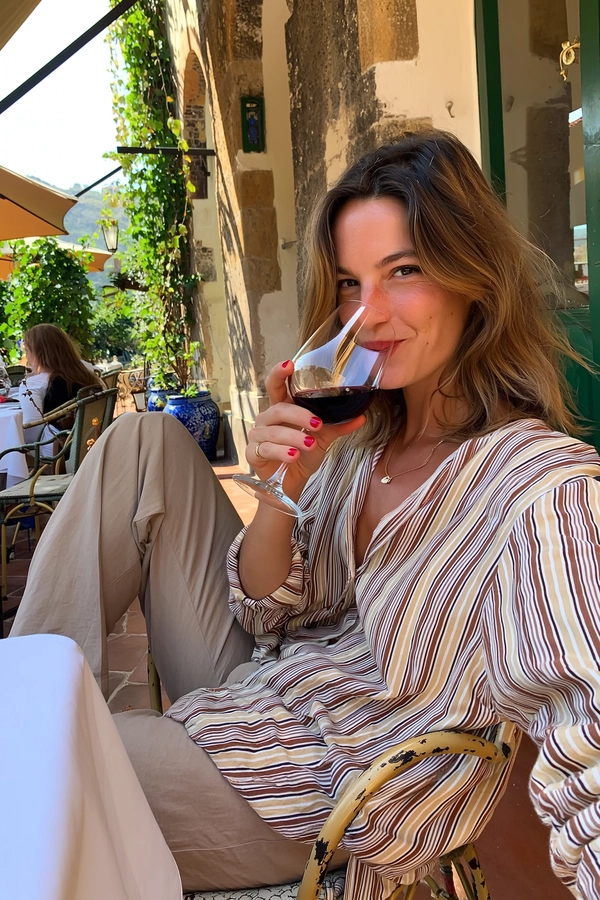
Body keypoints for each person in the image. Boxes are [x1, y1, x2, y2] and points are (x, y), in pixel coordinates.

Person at [10, 129, 600, 898]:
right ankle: (28, 693)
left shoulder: (543, 488)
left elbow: (587, 733)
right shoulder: (362, 437)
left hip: (317, 790)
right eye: (352, 285)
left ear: (474, 280)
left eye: (406, 271)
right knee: (143, 441)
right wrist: (281, 485)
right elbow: (266, 611)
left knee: (21, 771)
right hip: (267, 689)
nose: (371, 314)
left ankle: (37, 734)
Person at [19, 324, 102, 449]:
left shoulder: (33, 385)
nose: (26, 357)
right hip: (92, 443)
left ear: (38, 353)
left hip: (60, 451)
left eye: (27, 351)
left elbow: (32, 436)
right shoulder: (85, 374)